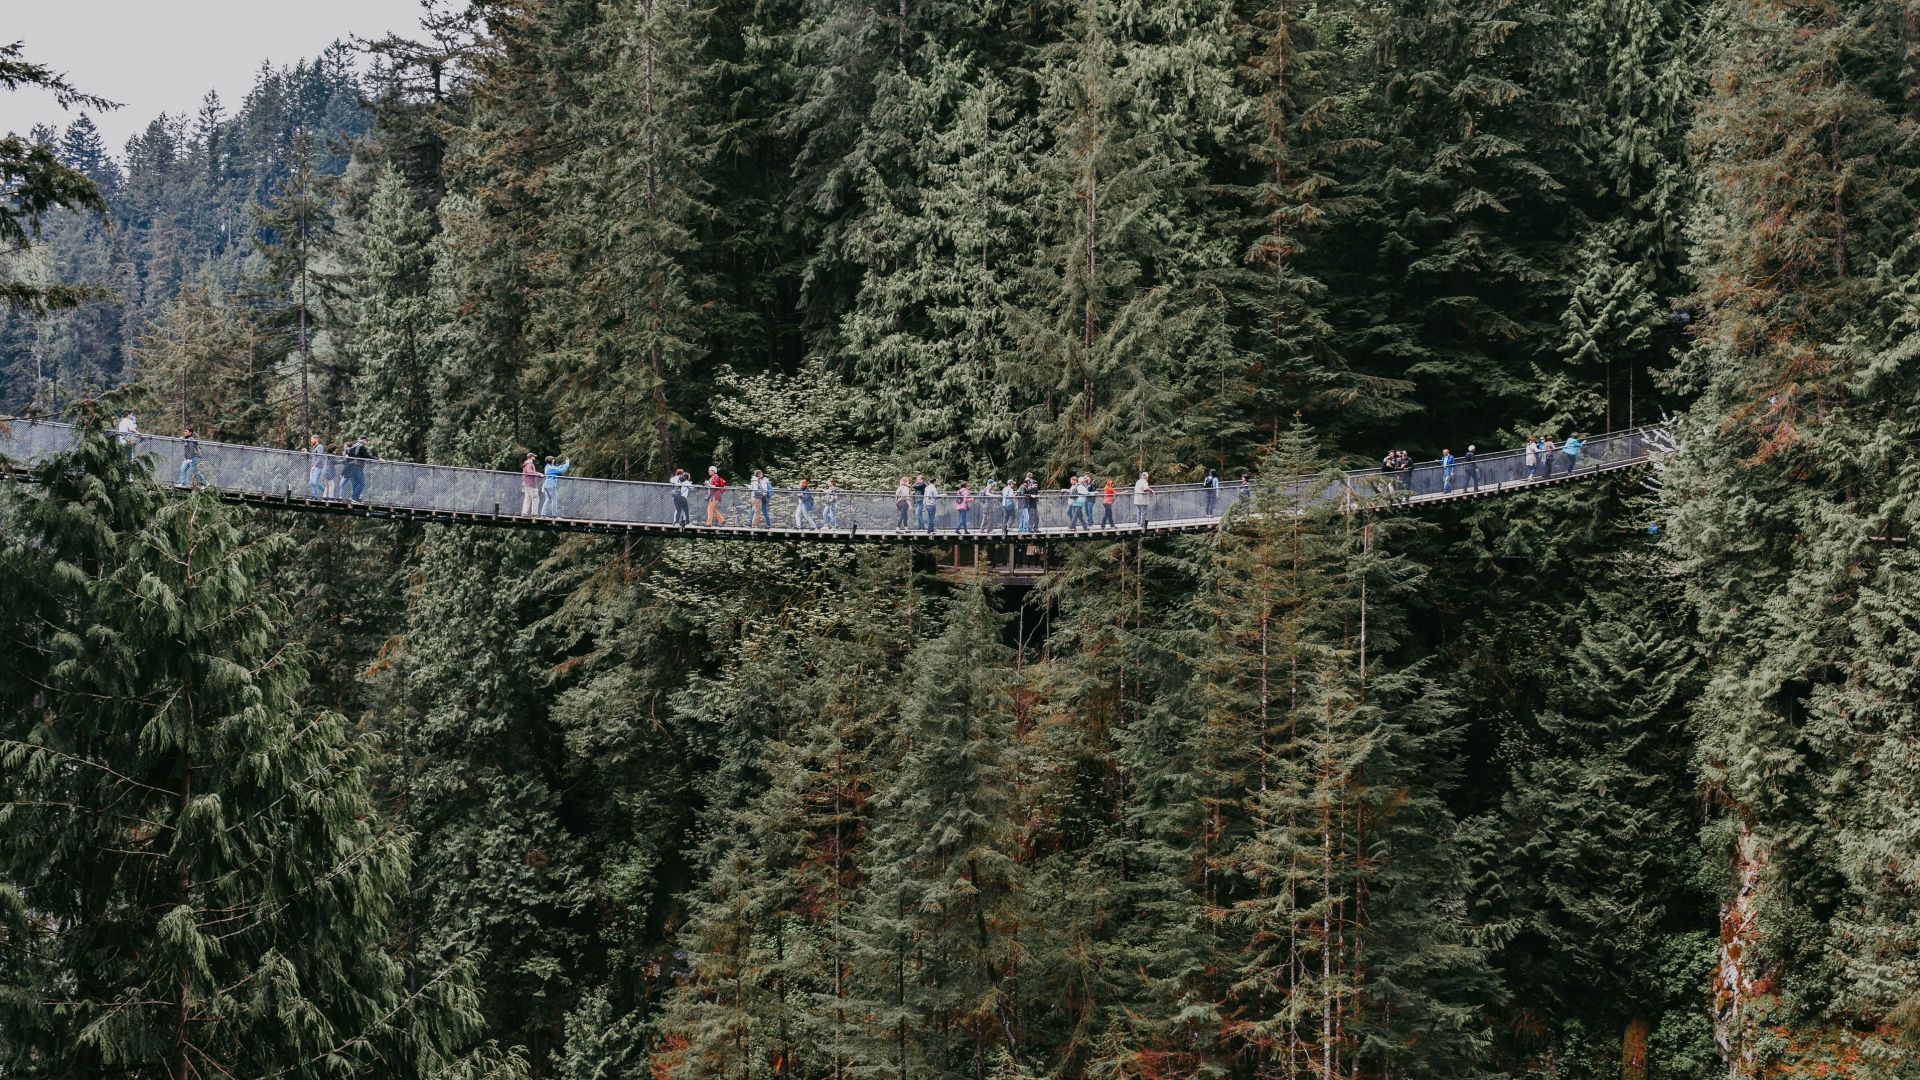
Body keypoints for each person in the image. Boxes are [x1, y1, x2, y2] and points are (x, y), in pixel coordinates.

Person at [343, 437, 375, 501]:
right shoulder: (362, 447)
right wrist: (377, 459)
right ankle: (354, 498)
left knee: (355, 482)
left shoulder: (354, 446)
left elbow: (348, 454)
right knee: (361, 483)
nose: (367, 442)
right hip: (358, 466)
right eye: (366, 440)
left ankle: (355, 498)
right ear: (363, 440)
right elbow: (367, 456)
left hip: (351, 466)